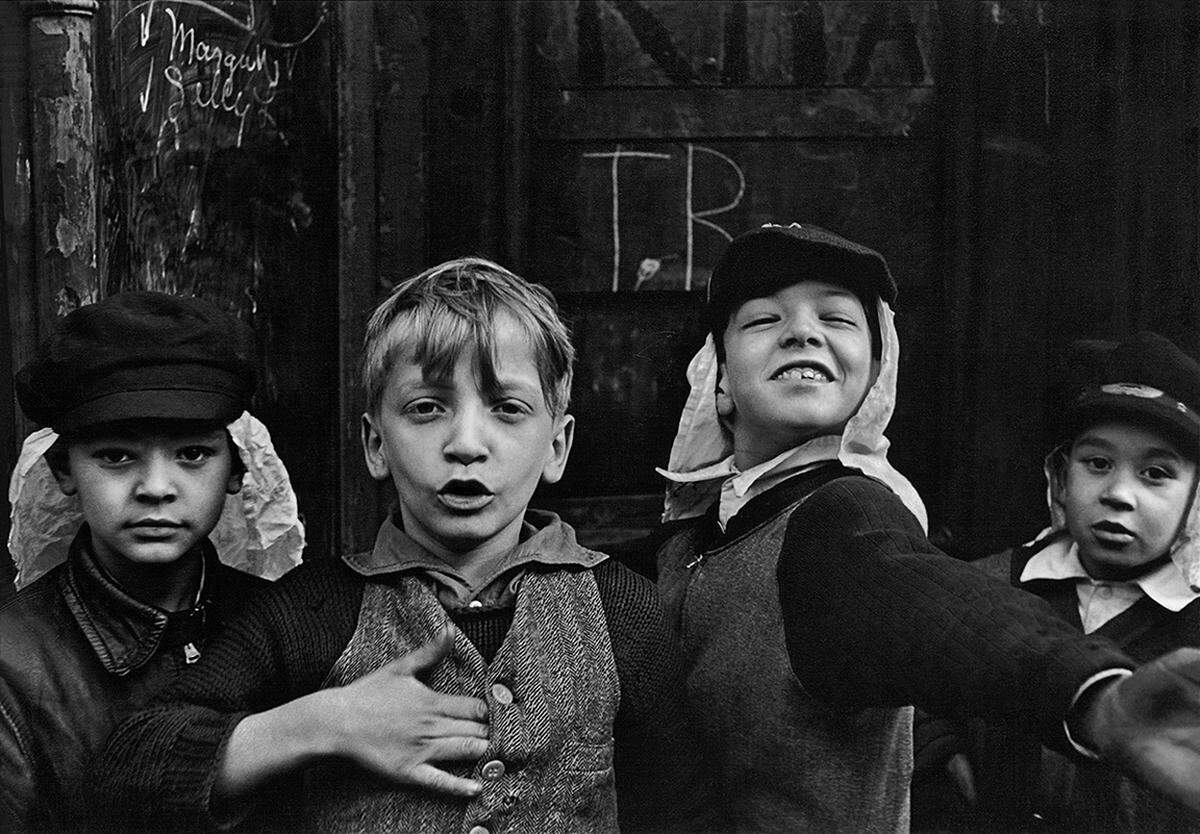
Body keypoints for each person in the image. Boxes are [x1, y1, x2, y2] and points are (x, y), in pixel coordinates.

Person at [99, 257, 709, 833]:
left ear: (557, 446)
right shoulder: (311, 612)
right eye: (426, 408)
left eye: (508, 409)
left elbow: (681, 810)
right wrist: (322, 722)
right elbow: (127, 770)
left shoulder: (623, 609)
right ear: (374, 444)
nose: (466, 443)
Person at [654, 222, 1200, 832]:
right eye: (762, 320)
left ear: (874, 376)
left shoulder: (842, 514)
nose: (802, 330)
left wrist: (1093, 695)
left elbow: (943, 609)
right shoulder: (690, 539)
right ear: (719, 378)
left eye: (837, 319)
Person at [0, 291, 304, 832]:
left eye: (192, 454)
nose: (157, 488)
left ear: (237, 469)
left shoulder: (287, 626)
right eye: (117, 455)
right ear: (64, 469)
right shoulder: (13, 663)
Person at [911, 331, 1200, 833]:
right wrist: (937, 749)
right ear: (1062, 478)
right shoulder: (987, 585)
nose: (1118, 494)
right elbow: (916, 684)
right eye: (1098, 464)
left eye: (1155, 473)